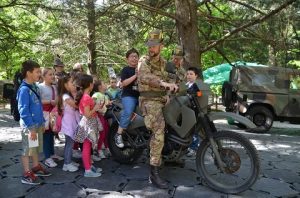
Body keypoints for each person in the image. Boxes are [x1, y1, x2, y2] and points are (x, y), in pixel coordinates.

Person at [137, 29, 178, 189]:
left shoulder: (164, 62)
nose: (151, 48)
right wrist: (163, 84)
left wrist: (168, 92)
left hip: (161, 99)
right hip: (148, 99)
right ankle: (153, 174)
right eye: (150, 45)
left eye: (154, 46)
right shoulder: (143, 60)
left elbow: (170, 78)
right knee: (159, 131)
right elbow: (144, 77)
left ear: (161, 46)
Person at [17, 60, 51, 185]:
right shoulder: (24, 90)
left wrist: (42, 122)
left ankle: (36, 167)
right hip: (29, 126)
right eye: (37, 72)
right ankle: (26, 173)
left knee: (34, 147)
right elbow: (23, 110)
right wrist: (31, 128)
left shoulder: (35, 86)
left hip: (37, 124)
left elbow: (39, 106)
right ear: (28, 73)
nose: (39, 74)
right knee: (27, 150)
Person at [74, 74, 103, 177]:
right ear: (90, 85)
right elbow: (87, 114)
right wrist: (95, 108)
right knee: (87, 147)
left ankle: (89, 166)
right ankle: (87, 170)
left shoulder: (85, 96)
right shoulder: (86, 97)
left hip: (89, 123)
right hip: (88, 124)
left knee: (88, 146)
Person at [114, 48, 140, 148]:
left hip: (141, 97)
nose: (134, 58)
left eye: (136, 56)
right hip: (129, 96)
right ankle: (118, 134)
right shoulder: (126, 70)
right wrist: (136, 75)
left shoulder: (142, 69)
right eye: (132, 56)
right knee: (128, 111)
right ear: (127, 59)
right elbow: (124, 83)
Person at [38, 68, 64, 168]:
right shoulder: (39, 87)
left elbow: (58, 99)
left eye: (53, 74)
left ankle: (52, 153)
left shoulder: (54, 87)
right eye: (50, 74)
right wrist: (50, 101)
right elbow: (37, 101)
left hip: (53, 113)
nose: (53, 76)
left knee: (52, 133)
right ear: (43, 76)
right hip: (44, 113)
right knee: (46, 135)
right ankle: (47, 157)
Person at [57, 74, 80, 172]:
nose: (74, 84)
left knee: (70, 143)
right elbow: (75, 105)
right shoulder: (65, 96)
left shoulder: (69, 95)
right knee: (69, 144)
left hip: (72, 122)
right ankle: (66, 164)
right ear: (66, 85)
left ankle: (69, 160)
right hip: (68, 123)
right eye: (72, 82)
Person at [92, 80, 111, 159]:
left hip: (104, 116)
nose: (106, 84)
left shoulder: (105, 95)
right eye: (104, 83)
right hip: (99, 116)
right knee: (102, 133)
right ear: (100, 86)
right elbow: (92, 102)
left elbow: (106, 104)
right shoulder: (96, 94)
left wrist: (109, 103)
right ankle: (99, 150)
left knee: (106, 132)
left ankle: (106, 148)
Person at [185, 67, 201, 157]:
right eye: (188, 74)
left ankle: (194, 148)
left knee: (194, 130)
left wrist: (194, 94)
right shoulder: (186, 85)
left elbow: (199, 94)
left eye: (191, 74)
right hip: (186, 110)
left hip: (194, 111)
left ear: (196, 76)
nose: (189, 76)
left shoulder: (196, 85)